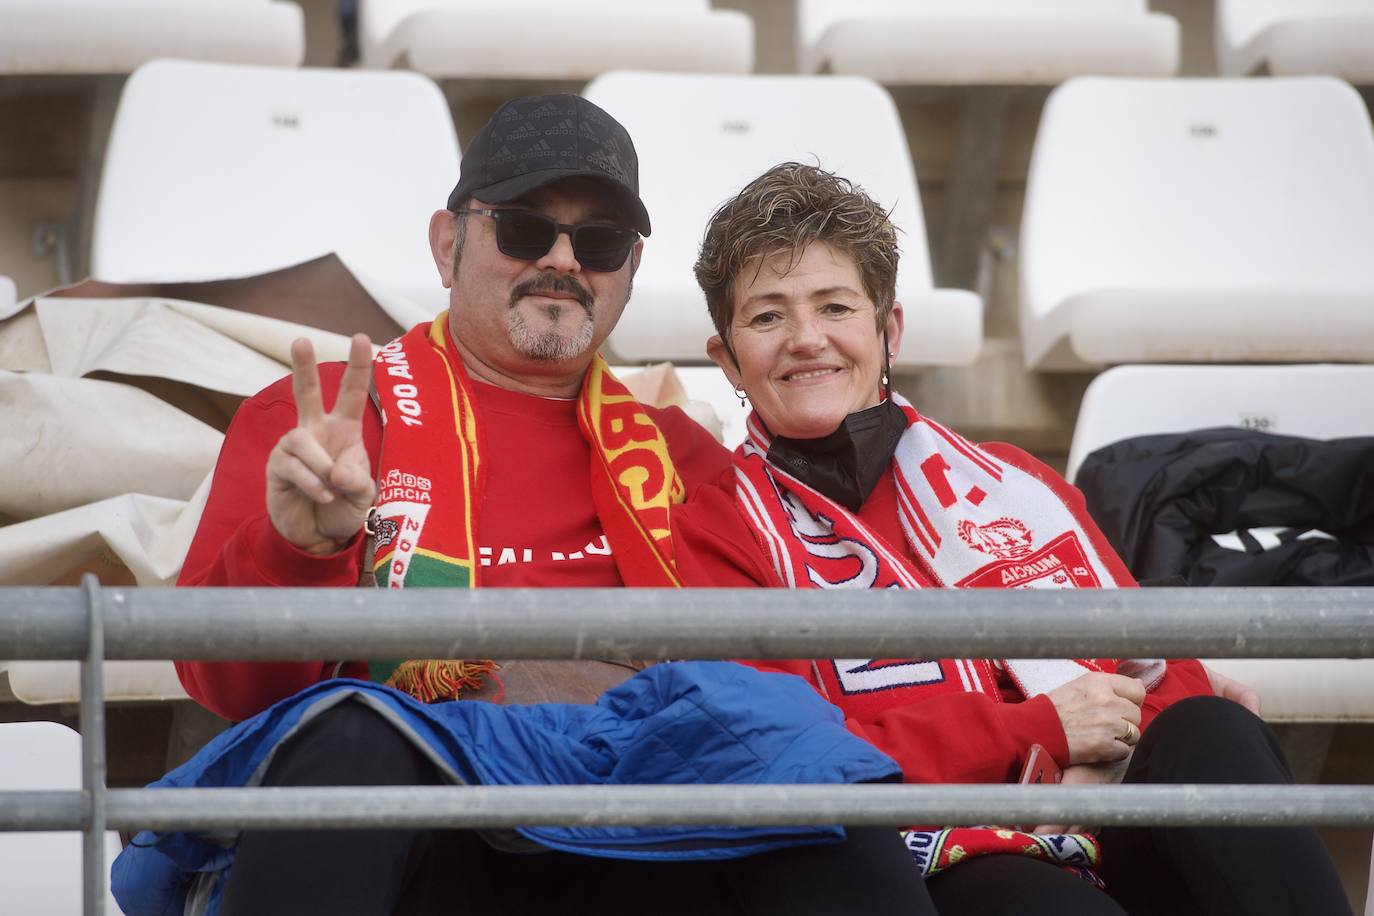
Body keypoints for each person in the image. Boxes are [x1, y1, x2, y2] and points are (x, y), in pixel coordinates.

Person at [123, 98, 932, 916]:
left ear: (629, 268)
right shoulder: (322, 420)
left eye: (600, 240)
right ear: (448, 245)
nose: (562, 259)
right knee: (352, 737)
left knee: (808, 764)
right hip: (425, 826)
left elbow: (765, 687)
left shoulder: (681, 454)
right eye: (522, 228)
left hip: (635, 828)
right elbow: (226, 685)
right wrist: (300, 549)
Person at [671, 161, 1353, 916]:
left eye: (835, 306)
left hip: (1098, 813)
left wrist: (1093, 762)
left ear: (888, 329)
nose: (806, 340)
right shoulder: (717, 523)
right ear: (727, 359)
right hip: (930, 854)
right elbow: (787, 748)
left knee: (1213, 731)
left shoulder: (1011, 479)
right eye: (767, 317)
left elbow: (1172, 671)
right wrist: (1040, 734)